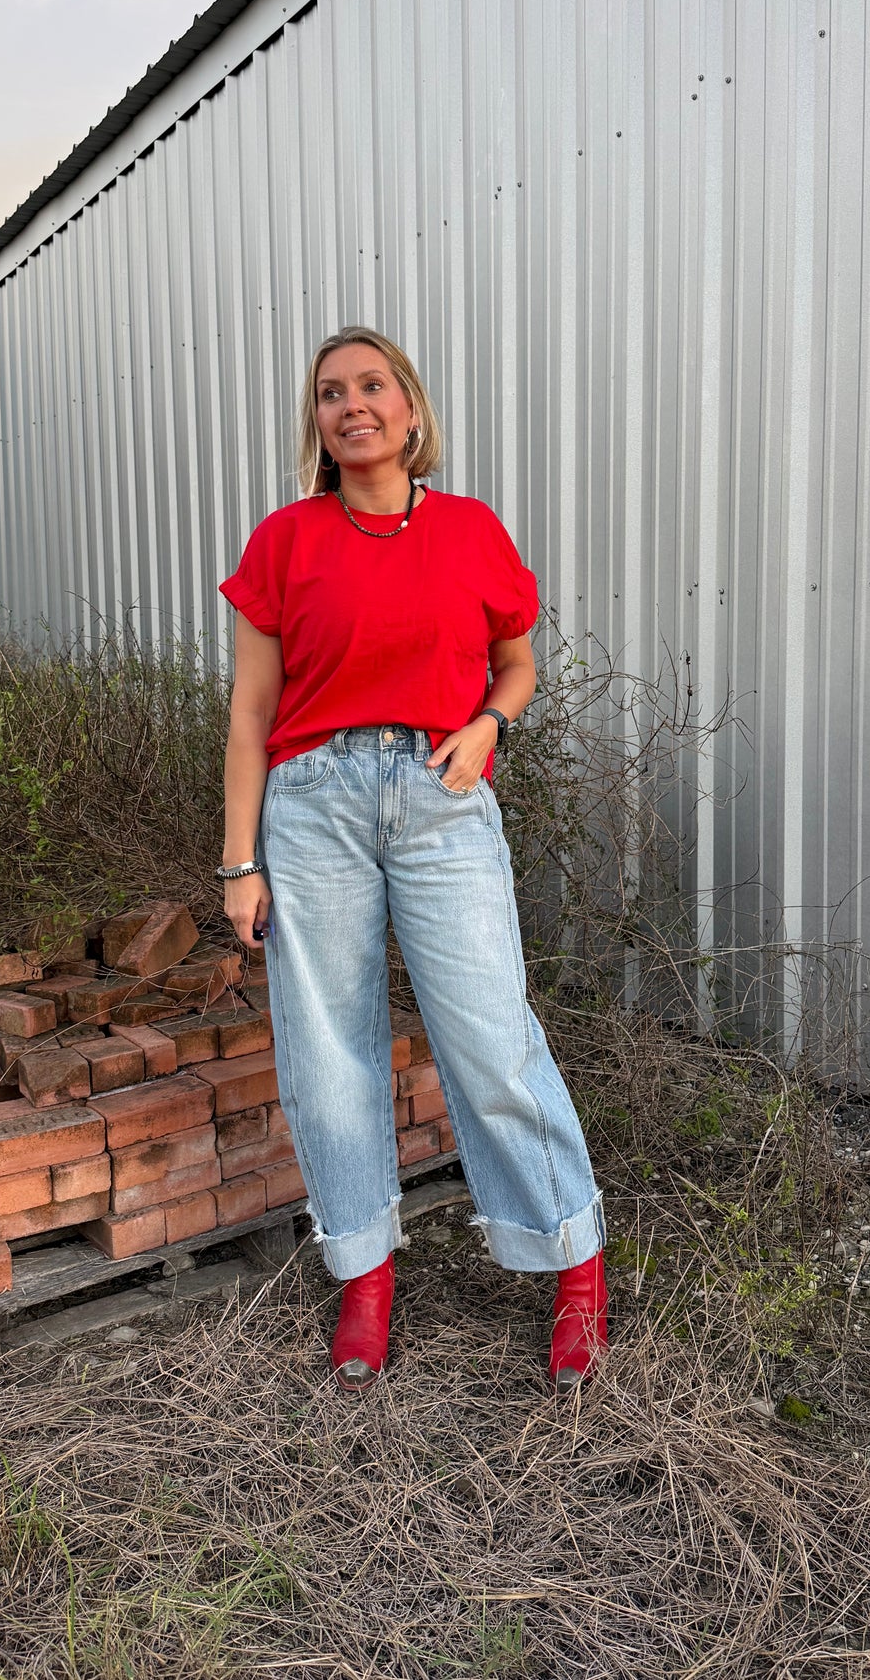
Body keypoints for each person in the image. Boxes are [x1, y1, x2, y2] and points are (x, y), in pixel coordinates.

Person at [218, 324, 607, 1393]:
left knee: (490, 1036)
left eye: (371, 385)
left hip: (441, 799)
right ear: (316, 422)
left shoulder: (470, 530)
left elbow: (517, 664)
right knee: (328, 1052)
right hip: (312, 807)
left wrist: (488, 723)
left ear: (409, 408)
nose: (351, 404)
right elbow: (249, 713)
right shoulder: (285, 540)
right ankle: (364, 1275)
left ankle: (573, 1265)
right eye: (329, 392)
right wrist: (238, 862)